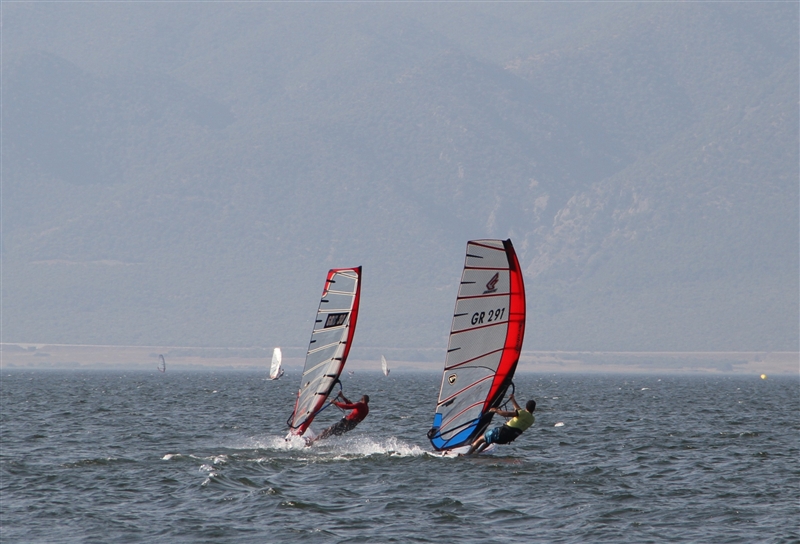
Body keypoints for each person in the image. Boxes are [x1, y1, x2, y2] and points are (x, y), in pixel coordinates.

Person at [465, 394, 535, 455]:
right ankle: (478, 452)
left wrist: (496, 410)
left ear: (526, 407)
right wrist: (512, 400)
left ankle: (467, 454)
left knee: (481, 438)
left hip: (502, 433)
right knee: (489, 439)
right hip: (507, 439)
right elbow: (518, 410)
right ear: (534, 409)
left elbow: (508, 414)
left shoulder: (522, 413)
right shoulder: (532, 419)